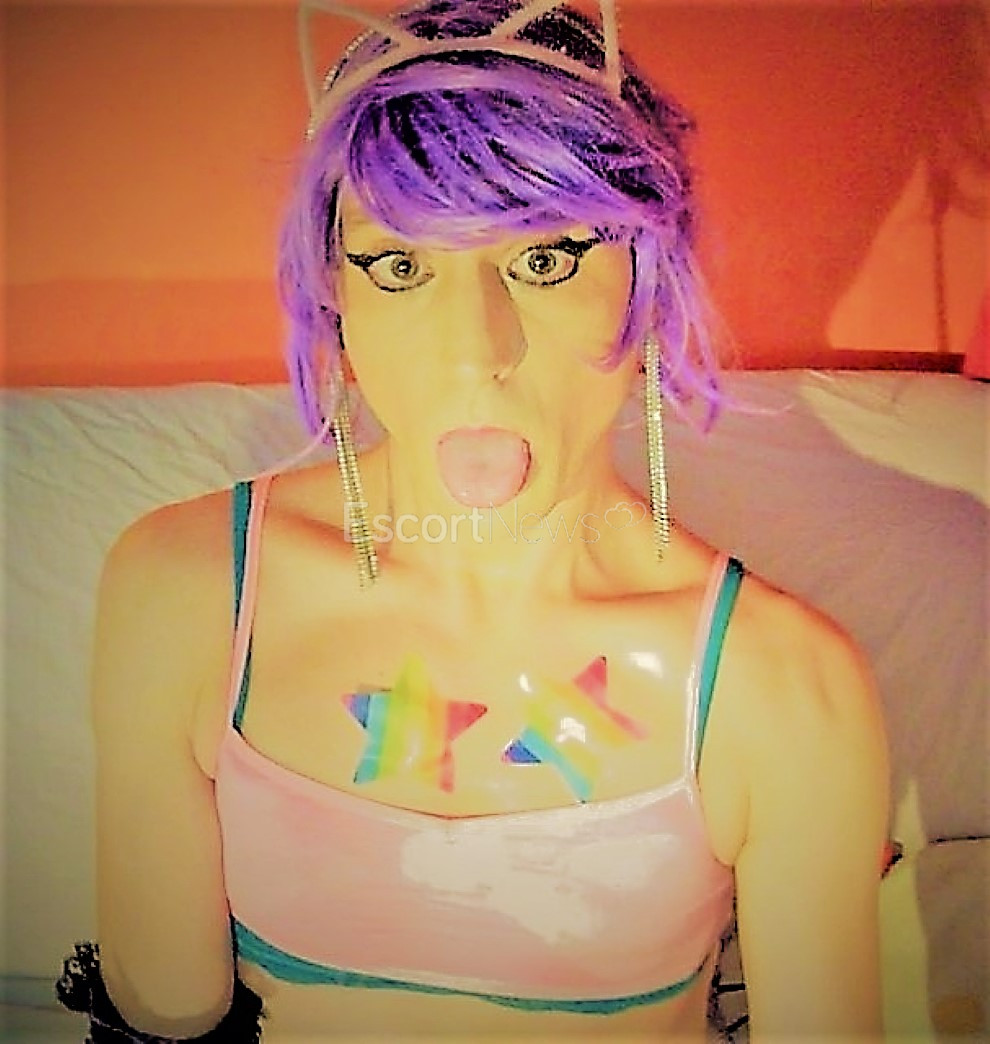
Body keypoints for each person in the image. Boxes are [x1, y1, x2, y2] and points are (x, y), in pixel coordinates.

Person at [57, 0, 890, 1040]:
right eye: (401, 267)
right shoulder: (182, 591)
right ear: (336, 296)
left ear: (648, 281)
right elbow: (161, 1018)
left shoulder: (786, 688)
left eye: (544, 259)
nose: (473, 350)